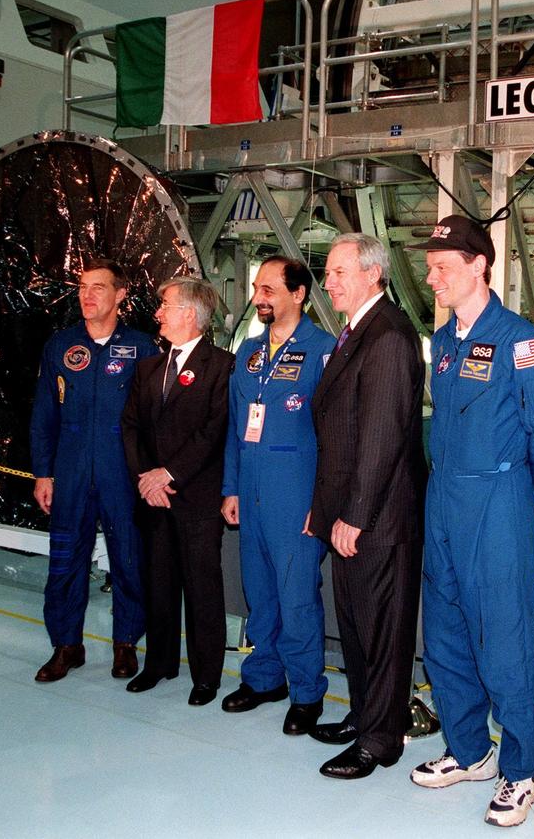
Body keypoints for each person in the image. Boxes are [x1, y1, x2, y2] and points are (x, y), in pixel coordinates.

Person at [409, 215, 534, 828]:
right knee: (446, 631)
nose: (432, 278)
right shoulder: (445, 341)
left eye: (442, 267)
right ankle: (471, 751)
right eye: (429, 268)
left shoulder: (521, 341)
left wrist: (527, 491)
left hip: (495, 499)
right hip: (443, 497)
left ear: (479, 265)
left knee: (504, 637)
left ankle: (520, 771)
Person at [306, 233, 426, 780]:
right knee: (355, 625)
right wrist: (325, 507)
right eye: (328, 272)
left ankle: (381, 740)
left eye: (338, 272)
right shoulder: (357, 331)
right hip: (351, 511)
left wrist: (353, 515)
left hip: (378, 518)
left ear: (372, 274)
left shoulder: (389, 336)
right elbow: (341, 433)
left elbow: (380, 437)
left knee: (381, 633)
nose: (327, 282)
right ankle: (363, 715)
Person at [220, 256, 336, 734]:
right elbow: (235, 426)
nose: (258, 298)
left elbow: (335, 439)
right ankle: (264, 677)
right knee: (260, 592)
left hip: (296, 495)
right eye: (256, 289)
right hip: (250, 489)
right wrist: (231, 487)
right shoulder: (248, 351)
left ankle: (307, 691)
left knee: (296, 597)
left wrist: (322, 503)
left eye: (268, 289)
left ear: (298, 294)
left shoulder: (324, 350)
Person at [30, 258, 158, 683]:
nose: (87, 295)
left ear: (120, 295)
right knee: (65, 558)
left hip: (122, 471)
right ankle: (66, 645)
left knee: (128, 557)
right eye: (83, 287)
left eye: (97, 287)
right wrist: (43, 473)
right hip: (71, 470)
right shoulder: (61, 346)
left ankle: (126, 643)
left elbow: (156, 419)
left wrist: (150, 472)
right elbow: (44, 413)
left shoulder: (142, 347)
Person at [120, 276, 233, 706]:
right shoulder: (148, 368)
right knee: (158, 584)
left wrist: (168, 473)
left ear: (189, 313)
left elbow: (214, 431)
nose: (157, 314)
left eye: (164, 305)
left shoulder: (222, 366)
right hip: (153, 498)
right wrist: (145, 478)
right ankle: (159, 663)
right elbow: (130, 426)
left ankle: (206, 675)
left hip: (196, 498)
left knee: (202, 589)